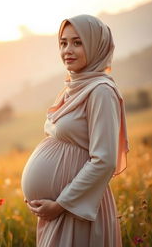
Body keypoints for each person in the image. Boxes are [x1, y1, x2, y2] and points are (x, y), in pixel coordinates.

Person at [21, 14, 129, 247]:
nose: (67, 50)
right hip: (59, 210)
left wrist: (60, 204)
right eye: (63, 43)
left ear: (95, 45)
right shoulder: (73, 86)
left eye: (77, 42)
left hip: (77, 210)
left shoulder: (101, 91)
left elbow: (104, 160)